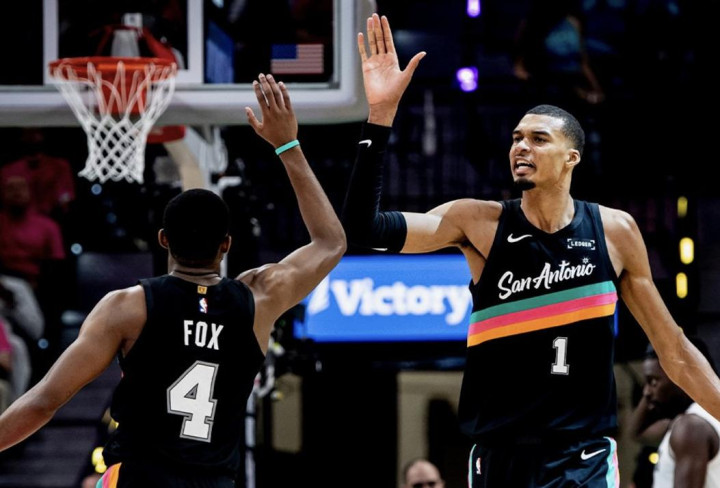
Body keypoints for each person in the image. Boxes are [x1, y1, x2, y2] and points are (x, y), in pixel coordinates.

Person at [342, 13, 720, 487]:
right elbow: (364, 229)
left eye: (539, 139)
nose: (521, 147)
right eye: (517, 138)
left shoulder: (614, 231)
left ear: (571, 157)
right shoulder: (477, 223)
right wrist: (380, 116)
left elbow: (675, 352)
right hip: (500, 456)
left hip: (581, 457)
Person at [0, 73, 346, 486]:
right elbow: (331, 243)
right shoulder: (259, 299)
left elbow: (43, 402)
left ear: (163, 239)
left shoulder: (127, 306)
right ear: (226, 245)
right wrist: (287, 145)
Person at [630, 339, 720, 488]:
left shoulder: (691, 427)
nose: (646, 392)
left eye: (653, 381)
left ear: (682, 377)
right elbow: (637, 433)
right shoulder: (699, 417)